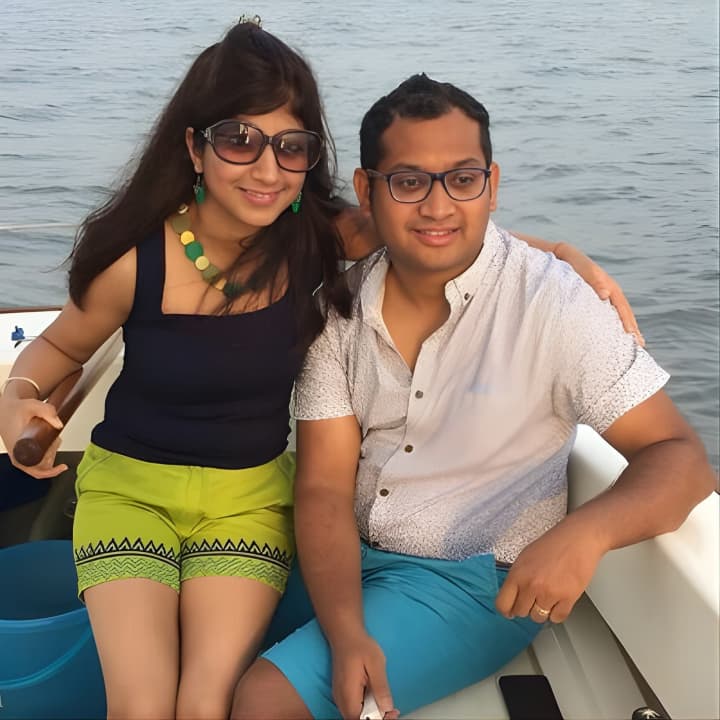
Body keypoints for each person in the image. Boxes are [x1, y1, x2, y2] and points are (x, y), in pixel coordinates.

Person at [0, 20, 638, 720]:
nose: (267, 170)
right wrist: (18, 395)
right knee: (142, 704)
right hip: (129, 492)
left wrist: (565, 256)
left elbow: (440, 229)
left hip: (247, 502)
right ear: (194, 147)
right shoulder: (135, 261)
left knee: (206, 701)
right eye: (239, 140)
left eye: (291, 146)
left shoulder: (312, 237)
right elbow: (59, 350)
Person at [229, 74, 716, 720]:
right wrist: (346, 634)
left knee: (264, 701)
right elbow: (322, 487)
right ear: (368, 191)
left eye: (462, 180)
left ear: (492, 184)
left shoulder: (555, 304)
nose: (438, 207)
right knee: (196, 665)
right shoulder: (338, 311)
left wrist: (586, 535)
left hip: (473, 579)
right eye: (409, 182)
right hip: (345, 550)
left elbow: (679, 456)